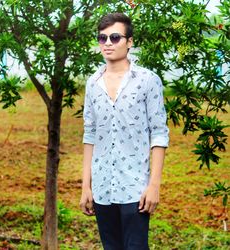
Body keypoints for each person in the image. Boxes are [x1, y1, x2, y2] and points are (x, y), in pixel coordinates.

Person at [80, 12, 169, 250]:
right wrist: (86, 187)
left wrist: (154, 185)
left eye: (115, 37)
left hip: (135, 188)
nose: (108, 43)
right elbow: (90, 136)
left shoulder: (147, 80)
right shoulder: (92, 83)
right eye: (102, 38)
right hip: (102, 187)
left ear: (129, 42)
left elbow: (159, 134)